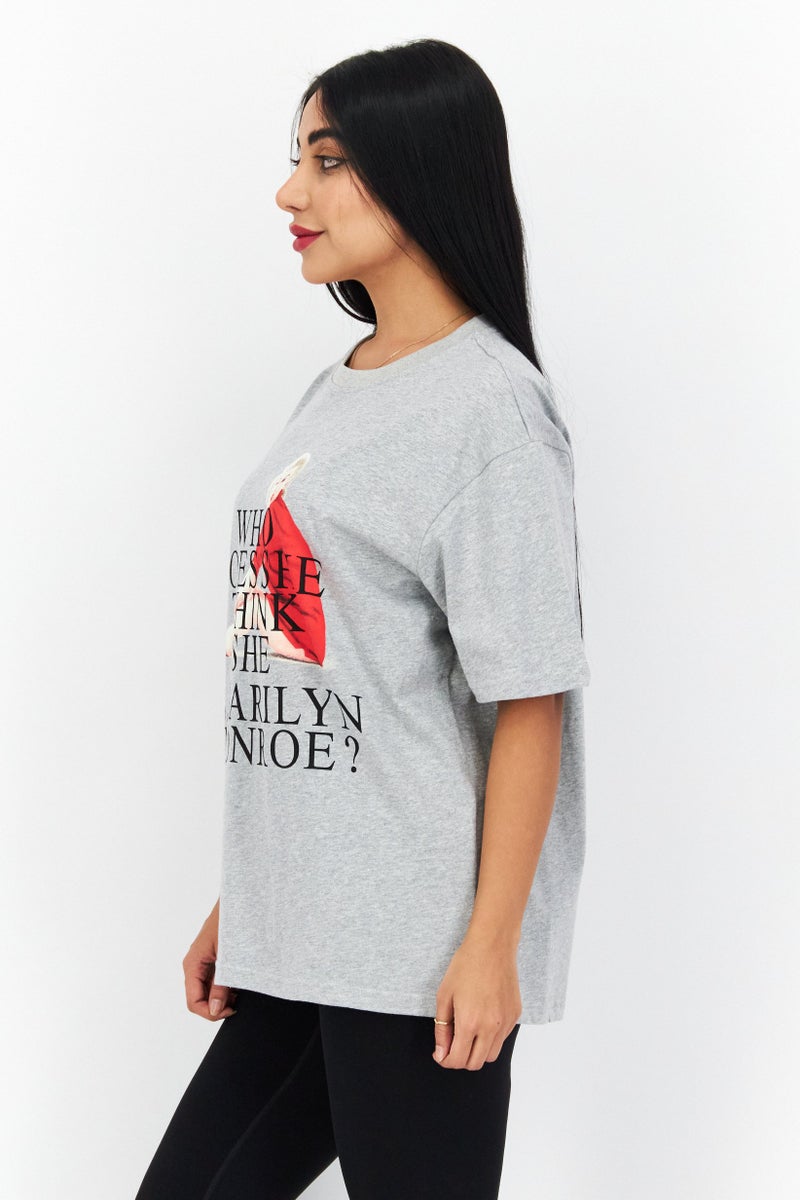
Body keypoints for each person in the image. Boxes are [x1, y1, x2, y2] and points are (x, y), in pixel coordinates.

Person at [135, 36, 591, 1200]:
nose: (290, 192)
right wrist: (248, 901)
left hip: (412, 952)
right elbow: (326, 670)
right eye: (296, 157)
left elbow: (530, 698)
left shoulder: (490, 411)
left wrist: (490, 947)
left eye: (326, 160)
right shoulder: (343, 385)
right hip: (302, 936)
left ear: (419, 168)